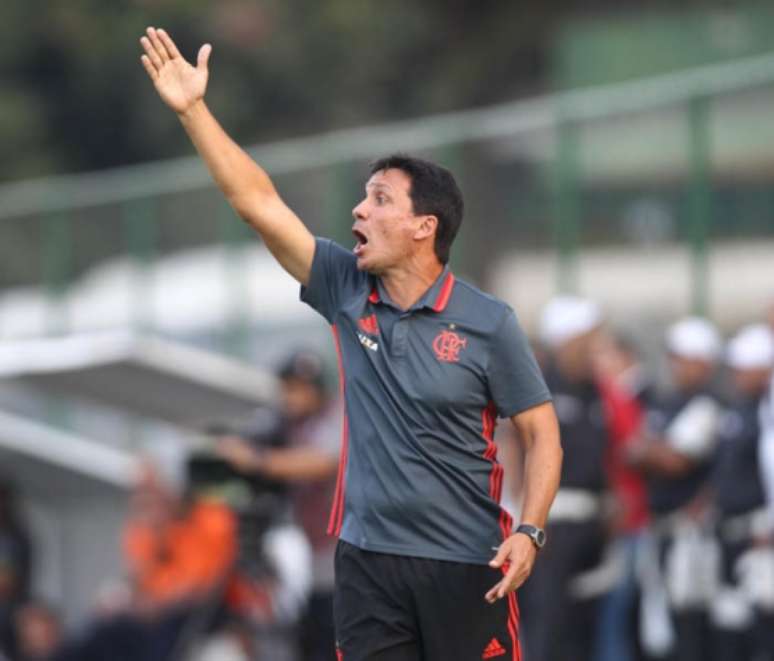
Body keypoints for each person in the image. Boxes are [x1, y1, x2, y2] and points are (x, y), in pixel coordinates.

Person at [139, 27, 562, 661]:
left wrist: (530, 529)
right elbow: (257, 203)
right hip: (367, 565)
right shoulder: (344, 286)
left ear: (425, 227)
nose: (359, 212)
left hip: (468, 563)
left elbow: (542, 431)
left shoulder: (488, 322)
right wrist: (194, 111)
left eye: (380, 199)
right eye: (364, 197)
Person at [216, 348, 340, 661]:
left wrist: (255, 461)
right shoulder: (283, 425)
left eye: (300, 388)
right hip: (313, 557)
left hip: (347, 553)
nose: (292, 397)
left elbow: (321, 462)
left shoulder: (337, 415)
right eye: (287, 388)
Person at [518, 296, 610, 661]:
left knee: (583, 629)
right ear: (566, 341)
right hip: (552, 524)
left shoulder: (594, 392)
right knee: (549, 628)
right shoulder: (539, 388)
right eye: (587, 339)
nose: (594, 349)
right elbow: (523, 451)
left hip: (592, 525)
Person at [627, 317, 723, 661]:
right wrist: (651, 451)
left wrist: (650, 450)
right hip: (658, 529)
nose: (675, 365)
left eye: (683, 357)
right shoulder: (665, 402)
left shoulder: (710, 403)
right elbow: (633, 452)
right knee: (658, 626)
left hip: (693, 533)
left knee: (692, 626)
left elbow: (675, 461)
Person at [710, 324, 774, 661]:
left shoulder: (766, 413)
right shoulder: (738, 409)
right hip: (731, 534)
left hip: (760, 532)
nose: (735, 374)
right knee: (731, 625)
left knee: (762, 628)